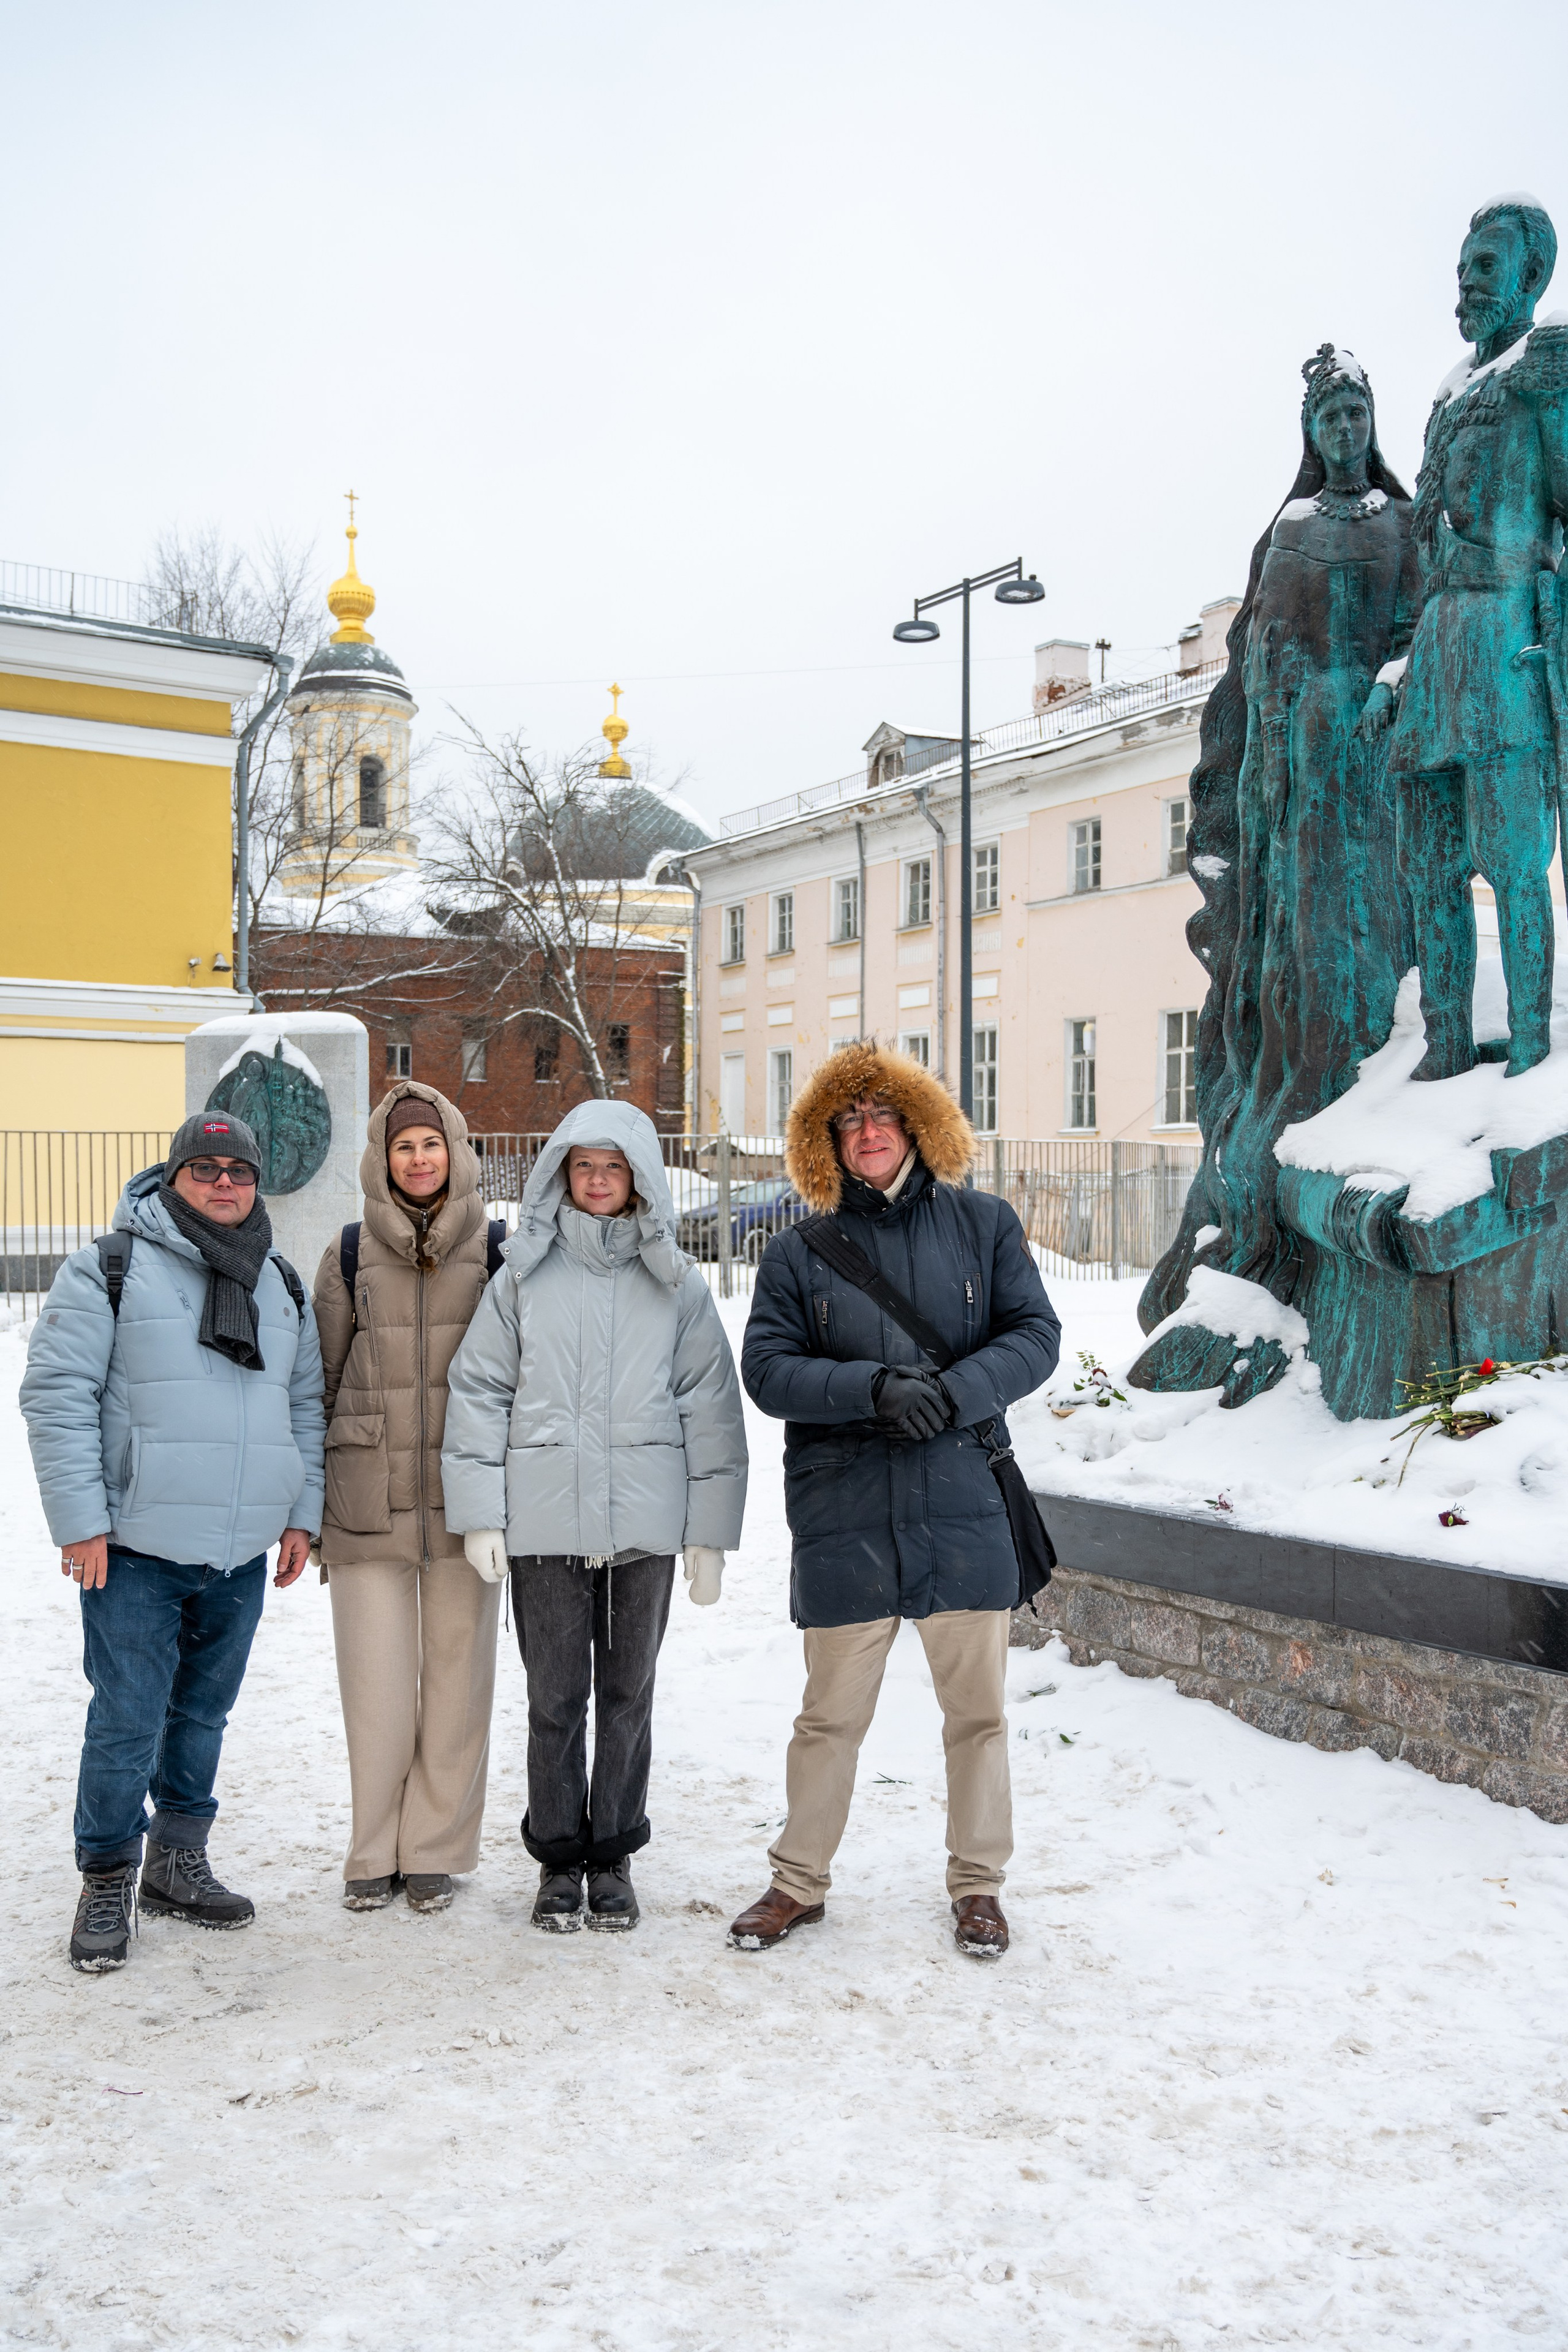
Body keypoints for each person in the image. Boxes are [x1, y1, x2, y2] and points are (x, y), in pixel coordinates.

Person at [731, 1043, 1059, 1960]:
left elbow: (1036, 1334)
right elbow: (767, 1369)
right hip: (847, 1511)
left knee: (978, 1717)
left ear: (916, 1126)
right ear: (826, 1141)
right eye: (849, 1120)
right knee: (828, 1717)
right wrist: (869, 1388)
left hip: (962, 1498)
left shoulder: (983, 1225)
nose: (868, 1132)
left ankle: (979, 1884)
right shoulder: (796, 1252)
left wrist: (953, 1394)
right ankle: (797, 1881)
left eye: (882, 1115)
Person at [20, 1111, 325, 1973]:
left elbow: (305, 1406)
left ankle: (176, 1860)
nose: (224, 1182)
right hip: (134, 1546)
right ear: (174, 1175)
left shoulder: (280, 1281)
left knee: (202, 1714)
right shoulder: (110, 1266)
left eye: (239, 1169)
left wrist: (299, 1514)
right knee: (127, 1717)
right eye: (206, 1167)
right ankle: (108, 1873)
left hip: (239, 1550)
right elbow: (57, 1395)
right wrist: (81, 1521)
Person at [442, 1101, 747, 1933]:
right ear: (562, 1175)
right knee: (554, 1700)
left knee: (627, 1694)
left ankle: (611, 1853)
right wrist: (481, 1516)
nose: (600, 1180)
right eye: (585, 1166)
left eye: (615, 1166)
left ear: (640, 1178)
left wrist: (709, 1536)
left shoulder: (676, 1286)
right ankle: (555, 1858)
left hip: (644, 1529)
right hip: (543, 1527)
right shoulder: (522, 1279)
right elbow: (479, 1393)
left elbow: (712, 1411)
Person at [1382, 196, 1568, 1080]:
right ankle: (1446, 1044)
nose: (1467, 283)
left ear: (1532, 275)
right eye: (1462, 268)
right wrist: (1397, 673)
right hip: (1438, 653)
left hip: (1505, 643)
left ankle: (1531, 1049)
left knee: (1514, 862)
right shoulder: (1450, 394)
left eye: (1486, 266)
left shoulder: (1547, 369)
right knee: (1430, 870)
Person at [312, 1084, 507, 1917]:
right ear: (381, 1159)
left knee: (460, 1683)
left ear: (455, 1152)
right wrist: (309, 1505)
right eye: (403, 1146)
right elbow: (317, 1381)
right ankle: (372, 1849)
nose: (419, 1159)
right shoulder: (350, 1251)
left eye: (431, 1144)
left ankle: (433, 1849)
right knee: (375, 1688)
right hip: (367, 1495)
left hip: (467, 1502)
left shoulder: (498, 1250)